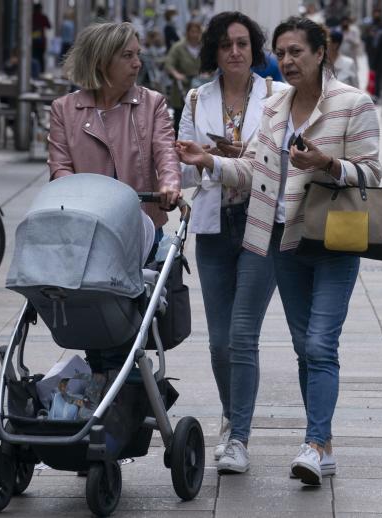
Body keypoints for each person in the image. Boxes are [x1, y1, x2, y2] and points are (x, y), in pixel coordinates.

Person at [176, 15, 381, 486]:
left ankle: (314, 442)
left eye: (297, 52)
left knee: (318, 343)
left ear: (320, 52)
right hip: (285, 237)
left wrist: (328, 163)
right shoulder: (276, 109)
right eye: (283, 53)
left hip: (333, 234)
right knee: (301, 347)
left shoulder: (353, 102)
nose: (287, 61)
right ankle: (320, 444)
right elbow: (253, 171)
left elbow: (371, 173)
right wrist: (209, 161)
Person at [177, 11, 288, 475]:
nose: (236, 52)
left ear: (255, 48)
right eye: (226, 45)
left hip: (262, 224)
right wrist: (201, 161)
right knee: (219, 342)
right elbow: (182, 166)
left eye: (243, 44)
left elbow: (276, 161)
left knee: (243, 334)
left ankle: (239, 436)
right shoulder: (196, 98)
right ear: (214, 52)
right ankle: (230, 415)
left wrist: (221, 159)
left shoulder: (278, 97)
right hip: (214, 226)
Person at [48, 22, 181, 374]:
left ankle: (121, 389)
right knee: (93, 319)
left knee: (126, 323)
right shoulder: (65, 109)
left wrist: (169, 183)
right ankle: (107, 386)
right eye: (127, 56)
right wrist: (77, 200)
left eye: (137, 54)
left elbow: (165, 151)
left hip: (140, 231)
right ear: (102, 60)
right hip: (87, 236)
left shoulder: (151, 104)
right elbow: (60, 168)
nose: (138, 63)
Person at [165, 21, 202, 136]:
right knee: (180, 119)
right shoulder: (178, 47)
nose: (195, 35)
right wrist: (176, 74)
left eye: (197, 32)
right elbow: (169, 63)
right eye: (192, 32)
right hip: (182, 89)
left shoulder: (203, 47)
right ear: (187, 33)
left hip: (200, 87)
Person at [31, 3, 51, 73]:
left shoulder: (31, 17)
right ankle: (41, 71)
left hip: (33, 40)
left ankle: (35, 71)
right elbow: (49, 26)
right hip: (40, 41)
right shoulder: (43, 17)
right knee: (40, 57)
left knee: (34, 56)